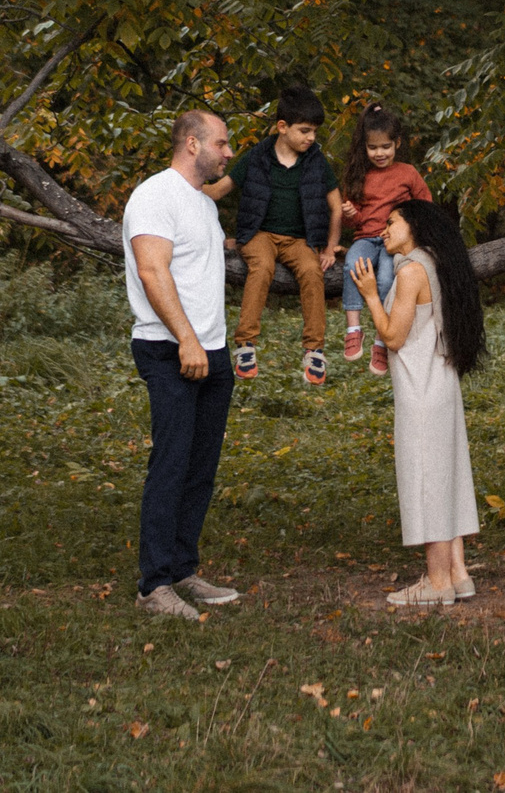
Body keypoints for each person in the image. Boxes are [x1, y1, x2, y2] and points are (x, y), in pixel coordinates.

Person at [124, 109, 243, 622]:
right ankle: (154, 586)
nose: (229, 151)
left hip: (210, 351)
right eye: (223, 142)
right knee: (171, 463)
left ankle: (181, 569)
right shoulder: (155, 195)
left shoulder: (202, 204)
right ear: (193, 144)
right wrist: (187, 341)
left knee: (200, 467)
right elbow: (153, 272)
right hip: (169, 348)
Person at [352, 198, 485, 606]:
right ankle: (459, 575)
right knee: (450, 478)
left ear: (414, 226)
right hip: (443, 386)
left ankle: (436, 583)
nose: (384, 230)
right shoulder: (437, 262)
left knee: (427, 481)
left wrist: (371, 295)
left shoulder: (411, 272)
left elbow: (393, 337)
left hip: (422, 391)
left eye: (392, 222)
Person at [208, 84, 345, 387]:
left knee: (312, 272)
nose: (311, 138)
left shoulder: (317, 162)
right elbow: (217, 190)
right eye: (305, 130)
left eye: (314, 132)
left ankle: (314, 350)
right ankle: (245, 344)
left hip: (299, 240)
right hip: (260, 235)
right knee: (262, 268)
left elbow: (336, 207)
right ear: (282, 127)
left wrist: (330, 248)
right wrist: (180, 185)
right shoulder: (256, 157)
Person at [339, 103, 434, 375]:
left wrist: (414, 233)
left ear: (397, 144)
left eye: (385, 147)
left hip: (394, 240)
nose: (379, 153)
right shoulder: (359, 174)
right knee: (352, 265)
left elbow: (424, 204)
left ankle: (382, 339)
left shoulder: (407, 172)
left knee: (384, 279)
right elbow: (353, 221)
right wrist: (350, 213)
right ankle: (353, 328)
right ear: (364, 147)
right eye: (373, 148)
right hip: (366, 238)